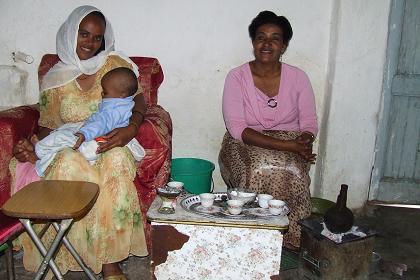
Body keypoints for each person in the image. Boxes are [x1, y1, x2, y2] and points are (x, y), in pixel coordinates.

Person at [11, 6, 148, 279]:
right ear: (70, 34)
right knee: (66, 161)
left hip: (110, 140)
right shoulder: (55, 78)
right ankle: (74, 253)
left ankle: (110, 261)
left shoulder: (113, 63)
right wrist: (36, 145)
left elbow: (139, 99)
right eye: (84, 34)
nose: (90, 43)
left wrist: (131, 129)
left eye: (97, 37)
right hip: (73, 143)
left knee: (118, 159)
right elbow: (47, 124)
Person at [219, 11, 318, 250]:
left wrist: (303, 143)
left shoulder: (298, 77)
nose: (267, 43)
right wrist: (290, 146)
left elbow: (309, 123)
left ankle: (290, 240)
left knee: (292, 169)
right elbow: (237, 128)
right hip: (244, 141)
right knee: (258, 168)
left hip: (291, 140)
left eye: (275, 38)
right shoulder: (237, 77)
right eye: (261, 37)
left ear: (284, 46)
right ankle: (250, 240)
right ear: (253, 43)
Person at [34, 67, 145, 177]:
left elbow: (102, 122)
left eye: (105, 92)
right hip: (97, 135)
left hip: (97, 140)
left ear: (123, 94)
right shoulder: (123, 102)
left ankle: (41, 151)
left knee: (62, 138)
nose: (102, 95)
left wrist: (84, 134)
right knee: (67, 131)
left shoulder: (113, 108)